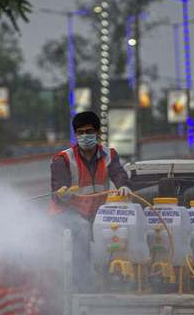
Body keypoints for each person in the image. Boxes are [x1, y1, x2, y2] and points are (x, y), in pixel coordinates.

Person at [50, 111, 132, 285]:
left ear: (98, 133)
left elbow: (118, 173)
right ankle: (84, 282)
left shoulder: (109, 155)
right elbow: (57, 190)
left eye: (89, 132)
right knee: (82, 228)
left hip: (94, 213)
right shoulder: (63, 159)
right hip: (66, 214)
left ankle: (112, 275)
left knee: (116, 227)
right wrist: (62, 194)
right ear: (75, 135)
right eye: (80, 133)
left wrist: (123, 185)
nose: (85, 136)